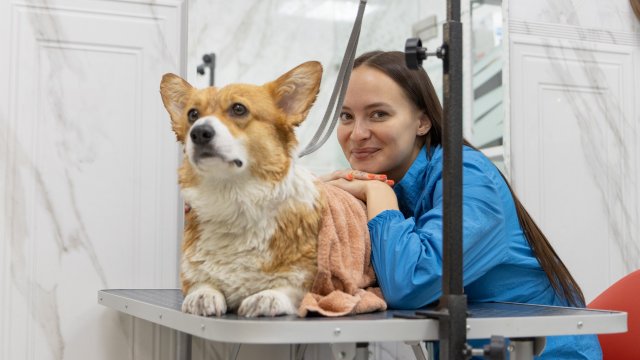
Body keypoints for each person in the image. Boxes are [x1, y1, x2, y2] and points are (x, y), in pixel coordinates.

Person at [324, 50, 602, 359]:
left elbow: (408, 285)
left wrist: (379, 195)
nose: (358, 133)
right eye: (346, 116)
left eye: (379, 114)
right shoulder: (390, 184)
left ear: (422, 122)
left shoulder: (467, 177)